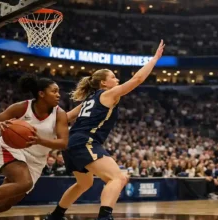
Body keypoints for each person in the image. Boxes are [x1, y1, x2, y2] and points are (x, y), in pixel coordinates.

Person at [44, 40, 165, 220]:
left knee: (84, 183)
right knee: (119, 178)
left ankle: (55, 215)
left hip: (71, 144)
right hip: (85, 141)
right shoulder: (108, 94)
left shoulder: (89, 100)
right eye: (114, 77)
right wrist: (154, 59)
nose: (117, 80)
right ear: (104, 83)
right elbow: (137, 79)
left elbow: (66, 117)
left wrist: (39, 126)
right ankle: (105, 217)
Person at [0, 74, 69, 219]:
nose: (58, 95)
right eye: (54, 91)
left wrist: (39, 141)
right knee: (24, 183)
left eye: (58, 91)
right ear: (41, 94)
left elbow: (63, 143)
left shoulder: (60, 114)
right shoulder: (22, 107)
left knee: (5, 204)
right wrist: (1, 124)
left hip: (37, 160)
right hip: (11, 149)